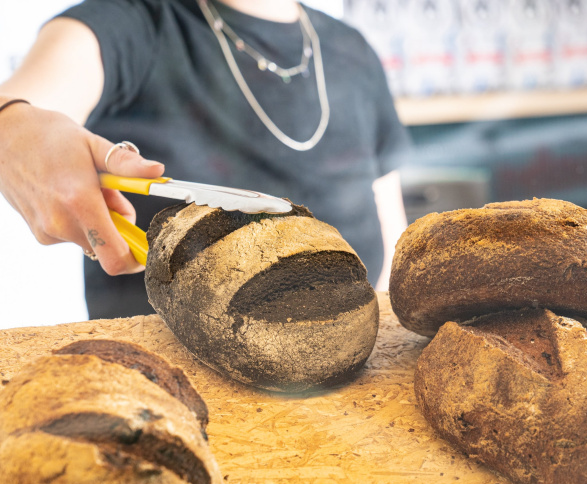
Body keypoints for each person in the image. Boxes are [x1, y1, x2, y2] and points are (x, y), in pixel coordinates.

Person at [0, 0, 410, 318]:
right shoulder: (127, 22)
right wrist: (12, 127)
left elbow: (391, 234)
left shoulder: (353, 50)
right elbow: (25, 106)